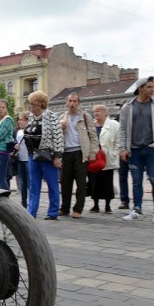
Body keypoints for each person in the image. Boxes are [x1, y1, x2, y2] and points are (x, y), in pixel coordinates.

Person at [119, 76, 154, 224]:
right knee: (136, 181)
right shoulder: (127, 107)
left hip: (152, 149)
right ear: (140, 88)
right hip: (134, 150)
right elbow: (122, 129)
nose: (152, 90)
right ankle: (137, 209)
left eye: (153, 87)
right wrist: (123, 148)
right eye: (149, 87)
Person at [24, 90, 64, 220]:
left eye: (32, 103)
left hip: (48, 156)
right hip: (33, 156)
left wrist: (57, 156)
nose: (30, 106)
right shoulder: (31, 117)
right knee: (34, 186)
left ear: (40, 104)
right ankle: (32, 213)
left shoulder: (52, 117)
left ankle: (53, 212)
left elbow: (58, 137)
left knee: (52, 185)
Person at [59, 93, 98, 219]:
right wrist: (61, 128)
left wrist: (92, 153)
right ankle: (64, 208)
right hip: (66, 153)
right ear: (66, 103)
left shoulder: (85, 117)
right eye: (70, 101)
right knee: (65, 183)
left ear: (79, 103)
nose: (72, 103)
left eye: (75, 101)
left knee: (81, 183)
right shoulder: (62, 118)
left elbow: (93, 136)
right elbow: (58, 138)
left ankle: (78, 209)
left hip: (80, 153)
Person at [87, 105, 120, 214]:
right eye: (94, 111)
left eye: (98, 111)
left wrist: (115, 153)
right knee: (94, 182)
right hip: (94, 157)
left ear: (105, 112)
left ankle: (107, 206)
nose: (96, 113)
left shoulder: (114, 125)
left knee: (107, 182)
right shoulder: (91, 124)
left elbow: (119, 140)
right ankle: (95, 205)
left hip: (107, 157)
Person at [14, 111, 30, 208]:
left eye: (21, 119)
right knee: (23, 183)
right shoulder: (19, 132)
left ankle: (31, 203)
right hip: (21, 159)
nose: (19, 121)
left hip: (28, 159)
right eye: (19, 119)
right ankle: (23, 203)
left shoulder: (30, 131)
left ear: (27, 120)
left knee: (30, 182)